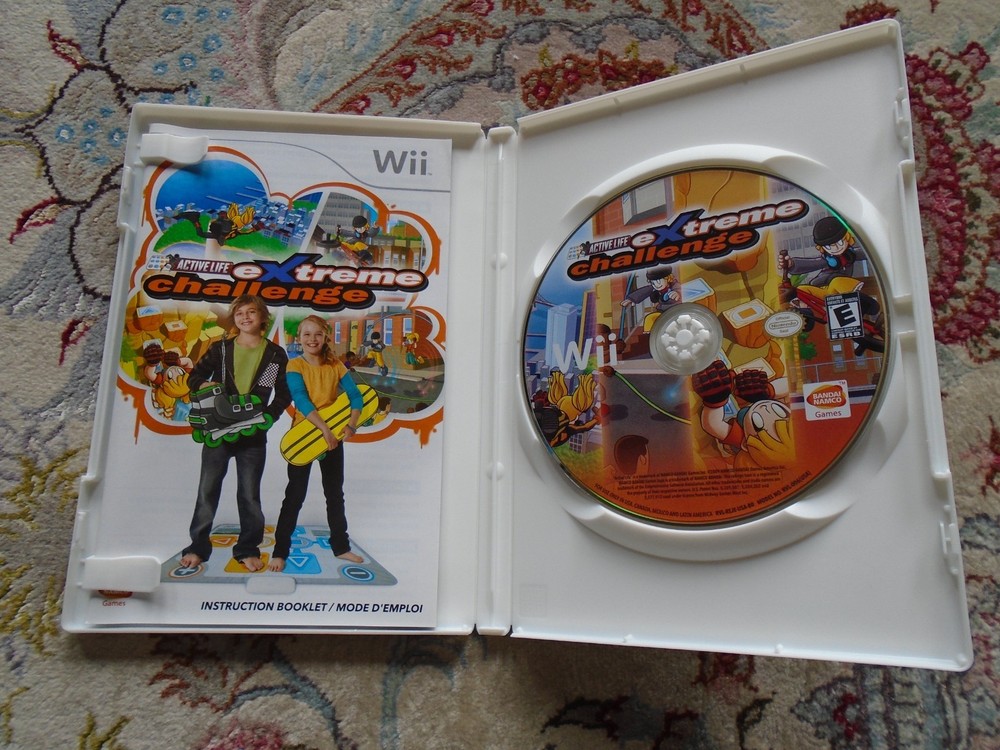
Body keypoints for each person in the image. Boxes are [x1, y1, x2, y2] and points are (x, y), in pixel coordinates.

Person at [180, 295, 290, 572]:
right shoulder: (220, 349)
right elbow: (194, 377)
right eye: (239, 313)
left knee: (249, 495)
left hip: (253, 434)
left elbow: (284, 392)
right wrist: (204, 384)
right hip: (218, 430)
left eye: (251, 312)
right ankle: (197, 547)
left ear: (263, 318)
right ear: (234, 318)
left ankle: (247, 549)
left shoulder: (275, 354)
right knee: (207, 490)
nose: (245, 317)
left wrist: (270, 415)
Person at [268, 315, 365, 571]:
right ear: (299, 338)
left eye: (318, 334)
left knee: (335, 494)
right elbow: (301, 400)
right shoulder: (295, 365)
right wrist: (324, 430)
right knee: (294, 495)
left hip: (333, 436)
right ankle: (279, 552)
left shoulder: (336, 365)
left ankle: (341, 547)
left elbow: (356, 396)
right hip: (303, 438)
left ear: (325, 337)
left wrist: (351, 424)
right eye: (307, 334)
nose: (312, 339)